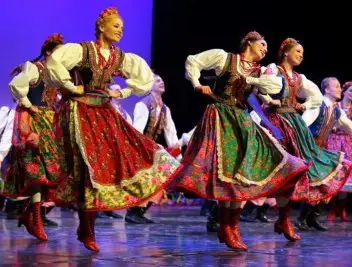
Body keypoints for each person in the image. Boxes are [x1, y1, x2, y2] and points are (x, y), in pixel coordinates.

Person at [45, 7, 180, 252]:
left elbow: (143, 79)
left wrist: (122, 92)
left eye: (122, 27)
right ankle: (86, 228)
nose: (120, 30)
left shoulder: (120, 57)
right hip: (79, 110)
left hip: (103, 111)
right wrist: (69, 86)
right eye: (116, 26)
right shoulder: (82, 50)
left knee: (106, 164)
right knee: (88, 167)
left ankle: (88, 227)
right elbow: (54, 63)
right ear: (101, 27)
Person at [171, 31, 309, 251]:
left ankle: (231, 226)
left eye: (266, 47)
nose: (265, 49)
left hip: (241, 119)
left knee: (241, 173)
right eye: (262, 44)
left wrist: (266, 94)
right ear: (250, 43)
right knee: (225, 172)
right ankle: (226, 226)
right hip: (220, 116)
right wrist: (197, 84)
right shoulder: (225, 58)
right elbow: (193, 61)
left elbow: (272, 88)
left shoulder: (259, 71)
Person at [257, 38, 352, 231]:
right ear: (286, 52)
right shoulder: (274, 70)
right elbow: (261, 86)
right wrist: (268, 99)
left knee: (292, 174)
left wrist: (305, 104)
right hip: (274, 124)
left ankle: (285, 220)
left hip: (291, 126)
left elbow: (314, 97)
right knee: (262, 171)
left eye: (302, 52)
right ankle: (227, 218)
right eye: (297, 51)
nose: (301, 55)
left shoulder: (300, 78)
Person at [3, 34, 64, 241]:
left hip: (50, 122)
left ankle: (30, 213)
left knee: (55, 171)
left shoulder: (56, 74)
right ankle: (36, 218)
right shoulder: (35, 68)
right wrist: (29, 106)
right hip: (34, 122)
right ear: (48, 52)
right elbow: (16, 86)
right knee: (37, 169)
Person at [125, 73, 181, 224]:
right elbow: (137, 132)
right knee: (146, 181)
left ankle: (140, 211)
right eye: (157, 80)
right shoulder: (143, 105)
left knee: (164, 177)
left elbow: (171, 133)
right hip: (141, 150)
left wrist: (177, 154)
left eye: (162, 79)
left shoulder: (165, 109)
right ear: (150, 86)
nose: (161, 81)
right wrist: (151, 148)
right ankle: (133, 212)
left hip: (153, 150)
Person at [303, 79, 352, 222]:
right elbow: (303, 125)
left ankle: (312, 218)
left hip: (322, 149)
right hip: (310, 149)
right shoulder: (317, 105)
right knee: (313, 184)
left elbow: (349, 126)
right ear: (326, 90)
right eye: (336, 86)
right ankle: (303, 218)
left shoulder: (336, 111)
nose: (339, 89)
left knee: (326, 182)